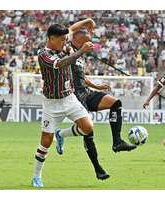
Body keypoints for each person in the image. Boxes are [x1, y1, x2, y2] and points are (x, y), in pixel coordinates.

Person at [54, 28, 137, 179]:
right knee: (88, 131)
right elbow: (70, 29)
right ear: (78, 39)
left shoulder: (81, 55)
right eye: (87, 39)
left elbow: (81, 77)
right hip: (74, 96)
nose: (90, 43)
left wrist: (97, 87)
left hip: (86, 92)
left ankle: (117, 142)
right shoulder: (67, 49)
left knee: (115, 103)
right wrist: (87, 23)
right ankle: (98, 169)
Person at [31, 19, 97, 188]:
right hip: (52, 104)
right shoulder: (44, 55)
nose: (65, 42)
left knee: (88, 127)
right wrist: (81, 50)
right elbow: (61, 64)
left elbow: (71, 29)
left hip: (69, 98)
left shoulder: (62, 41)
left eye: (65, 39)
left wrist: (87, 22)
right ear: (51, 39)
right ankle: (36, 176)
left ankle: (62, 135)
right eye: (61, 40)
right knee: (45, 142)